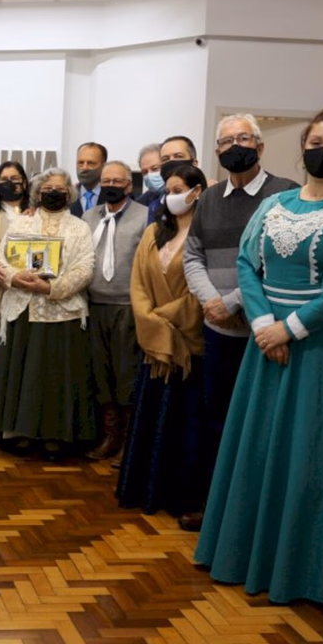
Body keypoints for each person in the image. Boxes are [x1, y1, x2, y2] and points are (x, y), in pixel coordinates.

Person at [194, 107, 323, 604]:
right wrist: (262, 326)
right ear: (302, 148)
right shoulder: (276, 204)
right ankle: (245, 551)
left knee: (310, 452)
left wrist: (289, 329)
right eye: (316, 143)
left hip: (320, 347)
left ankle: (304, 569)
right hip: (265, 348)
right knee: (257, 447)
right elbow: (246, 263)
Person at [180, 114, 299, 531]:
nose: (234, 147)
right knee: (217, 420)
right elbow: (192, 255)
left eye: (243, 138)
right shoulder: (210, 198)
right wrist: (211, 300)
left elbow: (276, 264)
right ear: (215, 150)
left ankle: (256, 517)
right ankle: (216, 509)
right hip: (218, 333)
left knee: (263, 424)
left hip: (266, 333)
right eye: (226, 141)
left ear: (260, 146)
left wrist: (232, 302)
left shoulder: (286, 194)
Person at [0, 168, 96, 456]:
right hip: (22, 309)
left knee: (55, 377)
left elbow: (85, 268)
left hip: (62, 312)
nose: (53, 193)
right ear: (38, 193)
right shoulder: (22, 222)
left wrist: (51, 288)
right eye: (48, 189)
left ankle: (55, 435)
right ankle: (19, 432)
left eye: (60, 189)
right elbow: (1, 259)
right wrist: (14, 277)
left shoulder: (80, 227)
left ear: (69, 194)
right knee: (23, 374)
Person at [116, 164, 207, 516]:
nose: (171, 196)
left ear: (197, 192)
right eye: (168, 191)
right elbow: (138, 284)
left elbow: (200, 293)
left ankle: (176, 496)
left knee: (184, 424)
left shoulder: (204, 234)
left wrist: (163, 318)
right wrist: (151, 320)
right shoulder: (154, 232)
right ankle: (144, 489)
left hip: (187, 347)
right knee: (150, 419)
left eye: (179, 190)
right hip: (155, 349)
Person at [81, 161, 148, 461]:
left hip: (128, 306)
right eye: (106, 181)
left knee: (126, 375)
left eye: (117, 181)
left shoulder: (144, 216)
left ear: (129, 186)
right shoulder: (88, 217)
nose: (111, 186)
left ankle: (128, 445)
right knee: (102, 374)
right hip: (95, 305)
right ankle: (109, 437)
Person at [0, 161, 30, 362]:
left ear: (24, 183)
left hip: (31, 284)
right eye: (4, 180)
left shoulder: (36, 211)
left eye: (15, 179)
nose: (9, 183)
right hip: (0, 282)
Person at [70, 142, 107, 217]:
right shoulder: (68, 197)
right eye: (80, 163)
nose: (85, 168)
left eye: (91, 163)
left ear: (103, 165)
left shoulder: (112, 196)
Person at [135, 143, 164, 210]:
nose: (149, 175)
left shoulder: (182, 194)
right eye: (145, 172)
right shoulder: (141, 203)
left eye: (155, 169)